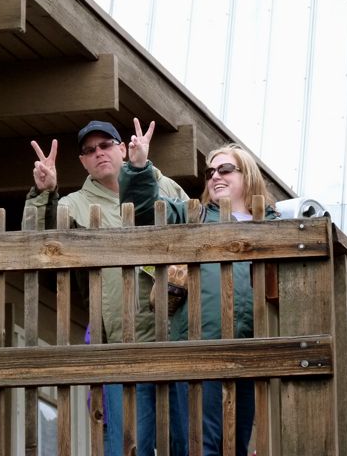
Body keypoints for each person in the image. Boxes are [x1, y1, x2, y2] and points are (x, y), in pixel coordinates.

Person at [25, 118, 189, 456]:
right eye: (89, 150)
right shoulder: (73, 205)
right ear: (83, 162)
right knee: (129, 445)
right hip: (122, 344)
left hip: (180, 338)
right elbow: (37, 247)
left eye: (105, 145)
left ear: (122, 148)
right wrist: (44, 194)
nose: (98, 153)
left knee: (188, 443)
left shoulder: (167, 187)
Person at [119, 130, 278, 456]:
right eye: (210, 172)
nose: (215, 176)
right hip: (200, 347)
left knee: (237, 446)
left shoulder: (275, 223)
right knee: (200, 446)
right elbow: (144, 211)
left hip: (254, 352)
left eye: (225, 169)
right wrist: (138, 167)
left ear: (247, 175)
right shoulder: (194, 215)